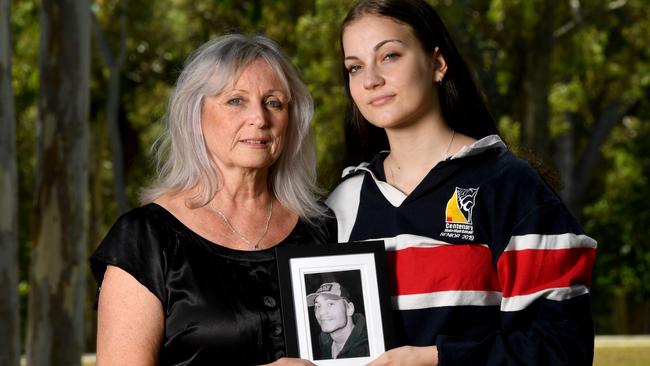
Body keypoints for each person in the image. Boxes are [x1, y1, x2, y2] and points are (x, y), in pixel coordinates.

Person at [326, 1, 597, 365]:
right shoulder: (343, 202)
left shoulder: (508, 186)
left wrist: (434, 358)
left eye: (389, 56)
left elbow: (562, 349)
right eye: (355, 67)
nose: (371, 79)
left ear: (437, 63)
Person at [89, 34, 334, 365]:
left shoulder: (325, 227)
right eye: (236, 100)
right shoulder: (145, 239)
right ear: (195, 115)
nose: (260, 119)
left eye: (273, 102)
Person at [306, 282, 369, 359]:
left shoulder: (368, 349)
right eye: (318, 306)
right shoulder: (324, 340)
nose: (321, 312)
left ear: (349, 309)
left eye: (330, 304)